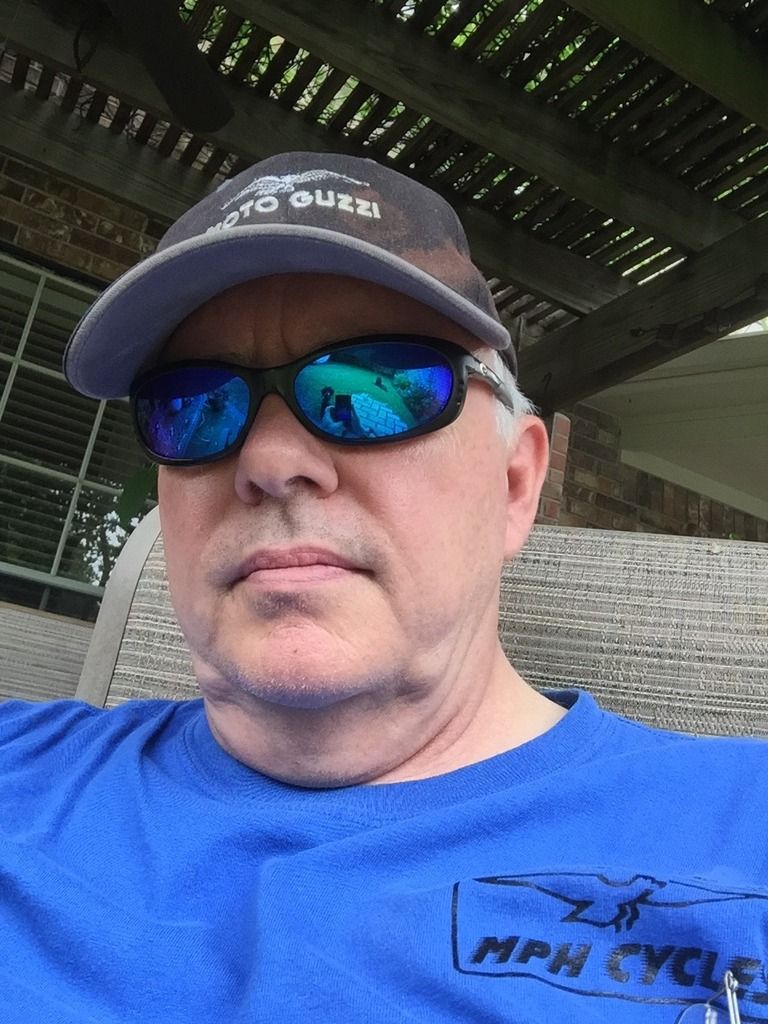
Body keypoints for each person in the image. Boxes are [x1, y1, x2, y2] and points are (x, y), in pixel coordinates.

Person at [0, 151, 765, 1024]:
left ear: (515, 484)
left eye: (376, 387)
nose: (270, 460)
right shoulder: (21, 767)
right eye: (192, 404)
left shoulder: (745, 827)